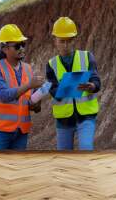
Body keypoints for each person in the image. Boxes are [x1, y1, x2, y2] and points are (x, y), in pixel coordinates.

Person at [46, 17, 101, 150]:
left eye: (69, 41)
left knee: (86, 148)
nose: (66, 45)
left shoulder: (87, 57)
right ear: (55, 41)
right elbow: (52, 89)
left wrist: (92, 86)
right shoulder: (51, 64)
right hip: (64, 119)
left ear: (75, 40)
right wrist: (63, 89)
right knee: (64, 157)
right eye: (62, 41)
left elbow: (96, 79)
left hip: (86, 115)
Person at [0, 24, 43, 150]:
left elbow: (29, 100)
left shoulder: (28, 69)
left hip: (21, 131)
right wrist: (29, 85)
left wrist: (36, 104)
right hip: (0, 131)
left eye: (23, 44)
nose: (22, 48)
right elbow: (4, 95)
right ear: (5, 49)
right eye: (17, 46)